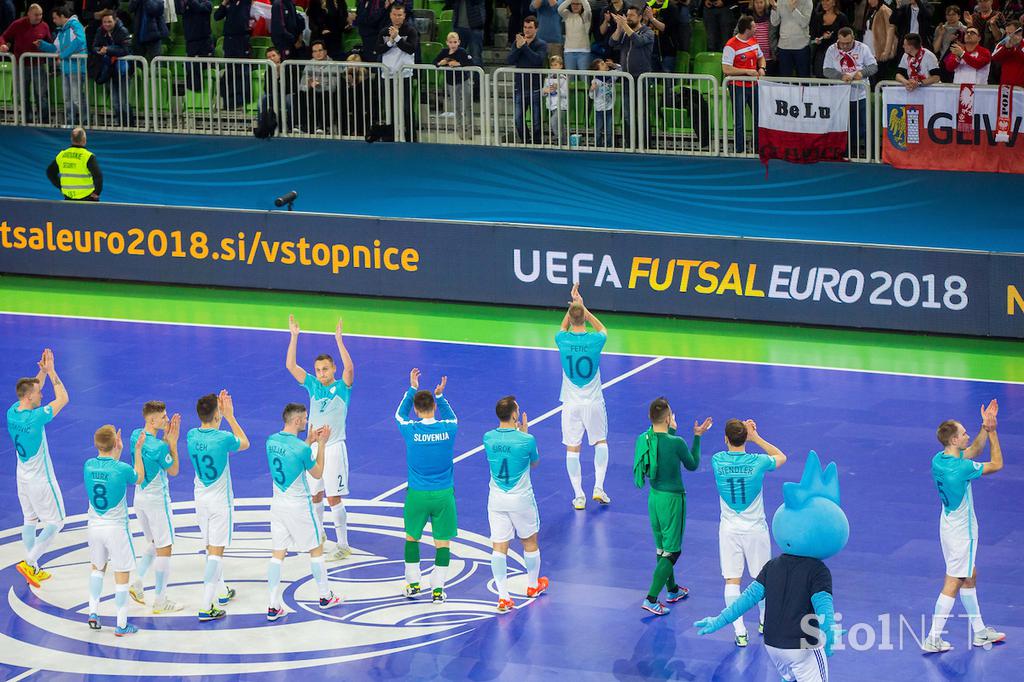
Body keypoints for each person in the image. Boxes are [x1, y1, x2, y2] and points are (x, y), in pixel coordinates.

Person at [695, 452, 848, 682]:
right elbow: (823, 608)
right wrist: (829, 636)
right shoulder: (818, 571)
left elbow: (745, 600)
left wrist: (718, 621)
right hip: (802, 646)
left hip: (773, 645)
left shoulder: (771, 566)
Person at [922, 400, 1006, 652]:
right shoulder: (961, 468)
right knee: (954, 580)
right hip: (962, 532)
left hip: (947, 526)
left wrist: (983, 426)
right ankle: (933, 638)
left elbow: (973, 451)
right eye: (964, 433)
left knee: (970, 574)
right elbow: (996, 463)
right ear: (955, 441)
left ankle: (980, 632)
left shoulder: (940, 459)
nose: (968, 435)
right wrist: (992, 431)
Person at [710, 419, 786, 646]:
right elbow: (781, 456)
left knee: (732, 581)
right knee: (762, 579)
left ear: (726, 439)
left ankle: (739, 631)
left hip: (729, 531)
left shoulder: (717, 461)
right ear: (744, 439)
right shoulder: (758, 462)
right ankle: (764, 620)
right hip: (756, 531)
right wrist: (756, 437)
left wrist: (745, 434)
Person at [632, 397, 711, 615]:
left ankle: (673, 590)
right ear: (668, 418)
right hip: (672, 501)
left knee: (662, 548)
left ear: (651, 417)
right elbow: (692, 464)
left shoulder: (644, 439)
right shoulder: (676, 443)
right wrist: (697, 436)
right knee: (673, 552)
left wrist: (671, 431)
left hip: (654, 499)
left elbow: (660, 454)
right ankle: (651, 598)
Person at [285, 315, 355, 562]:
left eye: (325, 369)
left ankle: (344, 545)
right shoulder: (313, 385)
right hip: (314, 448)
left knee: (333, 497)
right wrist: (294, 337)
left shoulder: (342, 388)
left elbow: (349, 369)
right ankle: (319, 534)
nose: (322, 373)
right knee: (314, 494)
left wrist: (339, 340)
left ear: (332, 369)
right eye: (318, 370)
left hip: (334, 447)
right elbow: (291, 367)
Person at [265, 404, 342, 621]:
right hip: (299, 507)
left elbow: (292, 458)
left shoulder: (271, 441)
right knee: (316, 550)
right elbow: (317, 474)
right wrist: (322, 445)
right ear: (297, 421)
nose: (307, 422)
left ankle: (272, 604)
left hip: (278, 506)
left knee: (277, 555)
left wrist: (308, 442)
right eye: (305, 419)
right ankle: (325, 596)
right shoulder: (301, 449)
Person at [395, 368, 459, 603]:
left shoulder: (411, 430)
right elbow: (451, 416)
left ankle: (413, 585)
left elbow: (399, 414)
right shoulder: (448, 428)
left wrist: (412, 388)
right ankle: (438, 590)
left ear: (416, 409)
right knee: (443, 543)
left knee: (412, 538)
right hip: (443, 495)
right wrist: (441, 397)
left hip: (417, 495)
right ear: (433, 406)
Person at [7, 349, 68, 589]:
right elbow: (63, 398)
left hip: (22, 475)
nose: (42, 394)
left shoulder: (13, 412)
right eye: (39, 392)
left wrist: (40, 372)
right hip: (41, 480)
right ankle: (30, 562)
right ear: (30, 397)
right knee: (57, 522)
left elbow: (31, 392)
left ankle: (34, 568)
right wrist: (52, 372)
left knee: (30, 519)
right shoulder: (35, 418)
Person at [187, 390, 250, 622]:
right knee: (216, 552)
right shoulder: (223, 438)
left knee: (209, 548)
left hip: (199, 498)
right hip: (219, 502)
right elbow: (244, 443)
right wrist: (231, 416)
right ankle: (206, 606)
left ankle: (222, 591)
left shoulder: (191, 435)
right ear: (217, 415)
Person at [484, 396, 549, 613]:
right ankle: (532, 585)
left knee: (499, 546)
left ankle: (503, 597)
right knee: (529, 541)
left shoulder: (488, 438)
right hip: (521, 499)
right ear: (514, 415)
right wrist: (524, 433)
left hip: (497, 499)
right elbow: (534, 462)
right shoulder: (527, 440)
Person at [84, 425, 143, 635]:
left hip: (94, 526)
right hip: (116, 528)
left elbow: (107, 470)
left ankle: (92, 611)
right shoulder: (121, 468)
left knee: (97, 568)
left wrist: (114, 450)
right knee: (122, 574)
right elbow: (139, 477)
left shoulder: (88, 465)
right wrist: (136, 451)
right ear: (116, 443)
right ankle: (121, 623)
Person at [556, 282, 609, 510]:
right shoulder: (596, 341)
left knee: (572, 449)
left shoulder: (562, 340)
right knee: (600, 442)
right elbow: (602, 328)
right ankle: (598, 487)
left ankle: (579, 496)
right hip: (594, 403)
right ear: (585, 318)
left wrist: (575, 307)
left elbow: (562, 327)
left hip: (571, 404)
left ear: (569, 318)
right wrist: (583, 307)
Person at [127, 401, 184, 614]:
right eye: (163, 417)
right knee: (165, 548)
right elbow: (174, 469)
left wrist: (164, 440)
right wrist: (173, 442)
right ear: (152, 420)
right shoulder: (160, 447)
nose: (166, 420)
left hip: (139, 497)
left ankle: (138, 584)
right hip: (157, 502)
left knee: (152, 542)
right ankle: (160, 600)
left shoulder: (135, 435)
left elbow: (150, 451)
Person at [822, 26, 876, 155]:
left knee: (866, 126)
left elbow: (873, 66)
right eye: (842, 43)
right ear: (838, 40)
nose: (845, 46)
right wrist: (840, 76)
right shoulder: (831, 49)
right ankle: (845, 153)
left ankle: (872, 154)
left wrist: (862, 73)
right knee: (844, 126)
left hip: (861, 94)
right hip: (840, 96)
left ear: (853, 39)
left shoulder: (863, 48)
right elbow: (826, 70)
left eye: (848, 43)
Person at [0, 4, 52, 123]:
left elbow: (51, 44)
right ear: (28, 14)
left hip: (38, 65)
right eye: (36, 15)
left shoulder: (44, 26)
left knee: (41, 95)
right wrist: (2, 45)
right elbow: (3, 36)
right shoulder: (17, 24)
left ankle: (45, 122)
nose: (39, 17)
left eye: (41, 14)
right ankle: (26, 121)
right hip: (20, 65)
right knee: (23, 95)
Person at [37, 5, 88, 126]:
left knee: (76, 98)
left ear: (63, 17)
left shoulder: (75, 25)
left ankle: (84, 122)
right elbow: (55, 48)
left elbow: (80, 40)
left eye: (55, 18)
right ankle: (71, 122)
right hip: (65, 68)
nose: (53, 21)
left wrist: (63, 55)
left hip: (76, 68)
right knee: (67, 99)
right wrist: (42, 45)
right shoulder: (62, 31)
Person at [722, 15, 766, 154]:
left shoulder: (754, 40)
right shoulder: (730, 45)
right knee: (739, 120)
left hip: (753, 85)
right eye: (754, 26)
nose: (756, 28)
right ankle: (739, 150)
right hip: (738, 86)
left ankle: (757, 148)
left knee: (758, 118)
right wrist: (747, 72)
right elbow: (726, 69)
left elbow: (761, 57)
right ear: (747, 29)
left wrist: (762, 68)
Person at [376, 3, 418, 141]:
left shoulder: (411, 31)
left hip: (404, 76)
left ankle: (411, 138)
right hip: (387, 76)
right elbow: (378, 49)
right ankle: (390, 137)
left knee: (406, 109)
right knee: (390, 108)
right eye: (394, 14)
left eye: (400, 15)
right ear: (390, 15)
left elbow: (411, 48)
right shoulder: (383, 32)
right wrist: (390, 42)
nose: (397, 17)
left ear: (404, 15)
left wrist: (398, 38)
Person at [610, 6, 653, 137]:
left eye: (632, 15)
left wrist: (625, 26)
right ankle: (629, 143)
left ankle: (645, 144)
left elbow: (638, 41)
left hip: (642, 78)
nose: (628, 18)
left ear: (640, 17)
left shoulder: (648, 32)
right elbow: (612, 43)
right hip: (627, 79)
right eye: (627, 15)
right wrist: (619, 28)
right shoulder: (624, 32)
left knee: (642, 113)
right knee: (627, 113)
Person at [506, 15, 547, 144]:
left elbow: (537, 61)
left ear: (536, 29)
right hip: (520, 86)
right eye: (525, 27)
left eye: (530, 27)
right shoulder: (517, 43)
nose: (527, 30)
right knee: (518, 118)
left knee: (536, 120)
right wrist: (519, 48)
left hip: (535, 87)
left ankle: (537, 142)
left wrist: (524, 47)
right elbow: (510, 60)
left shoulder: (541, 44)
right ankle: (525, 140)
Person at [92, 11, 134, 127]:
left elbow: (126, 50)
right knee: (115, 102)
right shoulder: (100, 31)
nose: (107, 24)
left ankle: (130, 126)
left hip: (123, 70)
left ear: (115, 21)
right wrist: (99, 50)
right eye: (104, 22)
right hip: (109, 69)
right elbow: (94, 46)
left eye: (109, 21)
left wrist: (108, 50)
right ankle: (120, 125)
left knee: (124, 101)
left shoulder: (123, 31)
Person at [434, 31, 474, 139]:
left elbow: (471, 62)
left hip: (464, 81)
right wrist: (440, 63)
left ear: (459, 42)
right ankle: (459, 129)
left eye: (455, 42)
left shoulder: (462, 51)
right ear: (447, 42)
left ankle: (470, 129)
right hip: (451, 83)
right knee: (456, 107)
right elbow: (435, 62)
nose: (453, 44)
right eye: (451, 42)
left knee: (467, 106)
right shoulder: (444, 52)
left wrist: (458, 64)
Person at [46, 127, 102, 201]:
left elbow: (50, 172)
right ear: (84, 140)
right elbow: (98, 176)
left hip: (69, 197)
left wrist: (61, 186)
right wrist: (96, 192)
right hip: (87, 198)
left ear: (71, 139)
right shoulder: (88, 156)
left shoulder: (62, 155)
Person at [298, 40, 340, 133]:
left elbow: (333, 87)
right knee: (301, 95)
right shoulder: (309, 64)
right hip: (312, 92)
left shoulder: (333, 65)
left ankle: (322, 126)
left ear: (325, 51)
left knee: (323, 97)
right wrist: (308, 84)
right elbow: (301, 86)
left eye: (320, 50)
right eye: (315, 51)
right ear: (312, 54)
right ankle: (303, 125)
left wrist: (319, 86)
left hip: (328, 94)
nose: (318, 53)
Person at [770, 0, 812, 76]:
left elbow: (804, 23)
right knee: (785, 81)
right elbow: (774, 22)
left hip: (801, 46)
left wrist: (793, 9)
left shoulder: (807, 1)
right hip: (784, 46)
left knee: (804, 80)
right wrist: (774, 7)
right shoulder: (781, 1)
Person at [810, 0, 848, 77]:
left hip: (837, 54)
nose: (824, 3)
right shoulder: (817, 17)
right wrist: (816, 39)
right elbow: (812, 34)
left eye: (827, 0)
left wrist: (835, 37)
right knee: (820, 76)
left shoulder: (842, 18)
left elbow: (847, 36)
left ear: (834, 2)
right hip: (820, 53)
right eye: (823, 1)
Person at [862, 0, 896, 84]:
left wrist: (887, 51)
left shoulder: (885, 10)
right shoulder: (872, 11)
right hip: (869, 48)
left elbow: (890, 30)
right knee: (870, 78)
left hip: (879, 50)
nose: (870, 1)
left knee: (877, 79)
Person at [589, 57, 617, 148]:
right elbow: (591, 96)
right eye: (602, 64)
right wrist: (592, 90)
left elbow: (622, 70)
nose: (605, 64)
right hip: (599, 109)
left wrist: (614, 65)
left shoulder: (612, 75)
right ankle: (598, 146)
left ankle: (609, 146)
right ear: (597, 70)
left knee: (609, 130)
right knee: (598, 130)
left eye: (604, 62)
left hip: (609, 108)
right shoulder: (595, 80)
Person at [933, 5, 967, 80]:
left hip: (960, 63)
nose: (950, 17)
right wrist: (941, 35)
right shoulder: (940, 28)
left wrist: (957, 42)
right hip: (944, 62)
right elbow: (935, 49)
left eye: (953, 14)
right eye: (948, 15)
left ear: (959, 16)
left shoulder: (965, 29)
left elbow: (969, 49)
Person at [542, 54, 569, 144]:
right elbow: (543, 92)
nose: (553, 67)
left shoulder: (563, 78)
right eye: (552, 65)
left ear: (561, 66)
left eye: (556, 65)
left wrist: (557, 89)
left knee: (554, 122)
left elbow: (566, 93)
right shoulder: (547, 78)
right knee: (560, 125)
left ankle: (559, 139)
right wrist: (545, 90)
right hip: (551, 105)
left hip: (561, 106)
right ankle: (564, 143)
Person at [558, 0, 591, 71]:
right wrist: (570, 0)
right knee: (570, 79)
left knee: (584, 78)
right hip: (568, 51)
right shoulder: (567, 14)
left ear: (582, 5)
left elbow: (588, 9)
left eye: (578, 4)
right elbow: (559, 9)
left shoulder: (585, 16)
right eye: (573, 4)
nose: (575, 6)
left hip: (584, 52)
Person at [450, 0, 485, 67]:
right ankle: (459, 77)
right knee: (456, 57)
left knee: (476, 57)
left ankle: (476, 77)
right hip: (458, 26)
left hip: (475, 26)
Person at [992, 19, 1024, 86]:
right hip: (1006, 86)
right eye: (1007, 33)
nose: (1008, 36)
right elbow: (994, 58)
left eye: (1010, 33)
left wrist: (1018, 46)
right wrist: (1006, 48)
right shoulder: (1002, 43)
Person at [750, 0, 777, 75]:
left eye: (761, 2)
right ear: (753, 4)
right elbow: (737, 33)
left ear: (765, 3)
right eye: (757, 3)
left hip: (770, 58)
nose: (759, 5)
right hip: (753, 58)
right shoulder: (747, 17)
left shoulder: (772, 16)